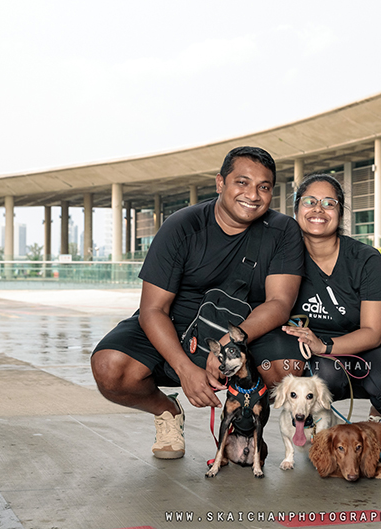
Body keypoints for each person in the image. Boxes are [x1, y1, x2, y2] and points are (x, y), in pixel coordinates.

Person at [90, 146, 306, 460]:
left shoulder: (283, 230)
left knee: (286, 366)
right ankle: (167, 411)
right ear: (220, 183)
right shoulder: (181, 227)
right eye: (242, 183)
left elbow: (278, 303)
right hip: (177, 323)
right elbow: (153, 309)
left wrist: (229, 342)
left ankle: (244, 424)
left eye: (264, 187)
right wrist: (185, 370)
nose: (253, 194)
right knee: (110, 369)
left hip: (244, 328)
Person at [281, 174, 381, 424]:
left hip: (360, 349)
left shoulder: (366, 259)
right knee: (324, 376)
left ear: (340, 212)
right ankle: (316, 421)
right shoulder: (282, 257)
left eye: (329, 203)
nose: (318, 209)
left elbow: (373, 332)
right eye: (309, 201)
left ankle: (378, 419)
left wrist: (324, 346)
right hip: (309, 357)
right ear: (296, 209)